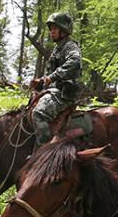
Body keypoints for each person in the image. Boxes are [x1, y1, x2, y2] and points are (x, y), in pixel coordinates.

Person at [30, 12, 82, 147]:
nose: (51, 32)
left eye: (54, 29)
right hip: (55, 91)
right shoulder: (57, 49)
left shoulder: (70, 46)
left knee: (39, 113)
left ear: (63, 30)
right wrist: (41, 81)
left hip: (65, 94)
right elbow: (50, 74)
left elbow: (75, 63)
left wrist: (51, 77)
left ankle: (45, 153)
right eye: (50, 29)